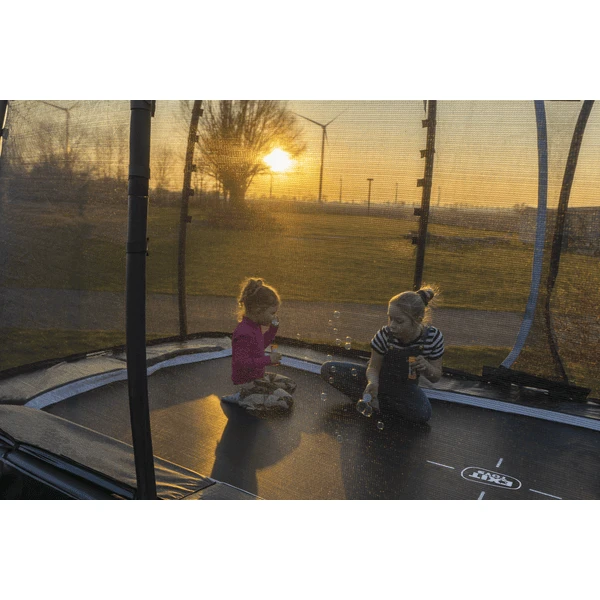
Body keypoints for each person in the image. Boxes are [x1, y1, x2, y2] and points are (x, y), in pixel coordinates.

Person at [321, 286, 443, 424]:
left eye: (399, 321)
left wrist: (426, 367)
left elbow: (436, 376)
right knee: (328, 369)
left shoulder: (433, 338)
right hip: (378, 380)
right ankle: (375, 398)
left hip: (404, 388)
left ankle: (375, 401)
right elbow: (373, 367)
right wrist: (373, 382)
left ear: (418, 320)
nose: (392, 325)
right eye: (390, 318)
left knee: (423, 413)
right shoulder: (384, 335)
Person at [222, 277, 296, 415]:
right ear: (258, 310)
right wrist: (268, 360)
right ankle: (244, 398)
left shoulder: (255, 325)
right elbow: (241, 363)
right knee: (286, 401)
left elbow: (260, 346)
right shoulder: (244, 332)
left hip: (258, 376)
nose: (274, 317)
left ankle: (257, 394)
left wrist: (272, 330)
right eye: (272, 313)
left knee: (290, 385)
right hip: (247, 381)